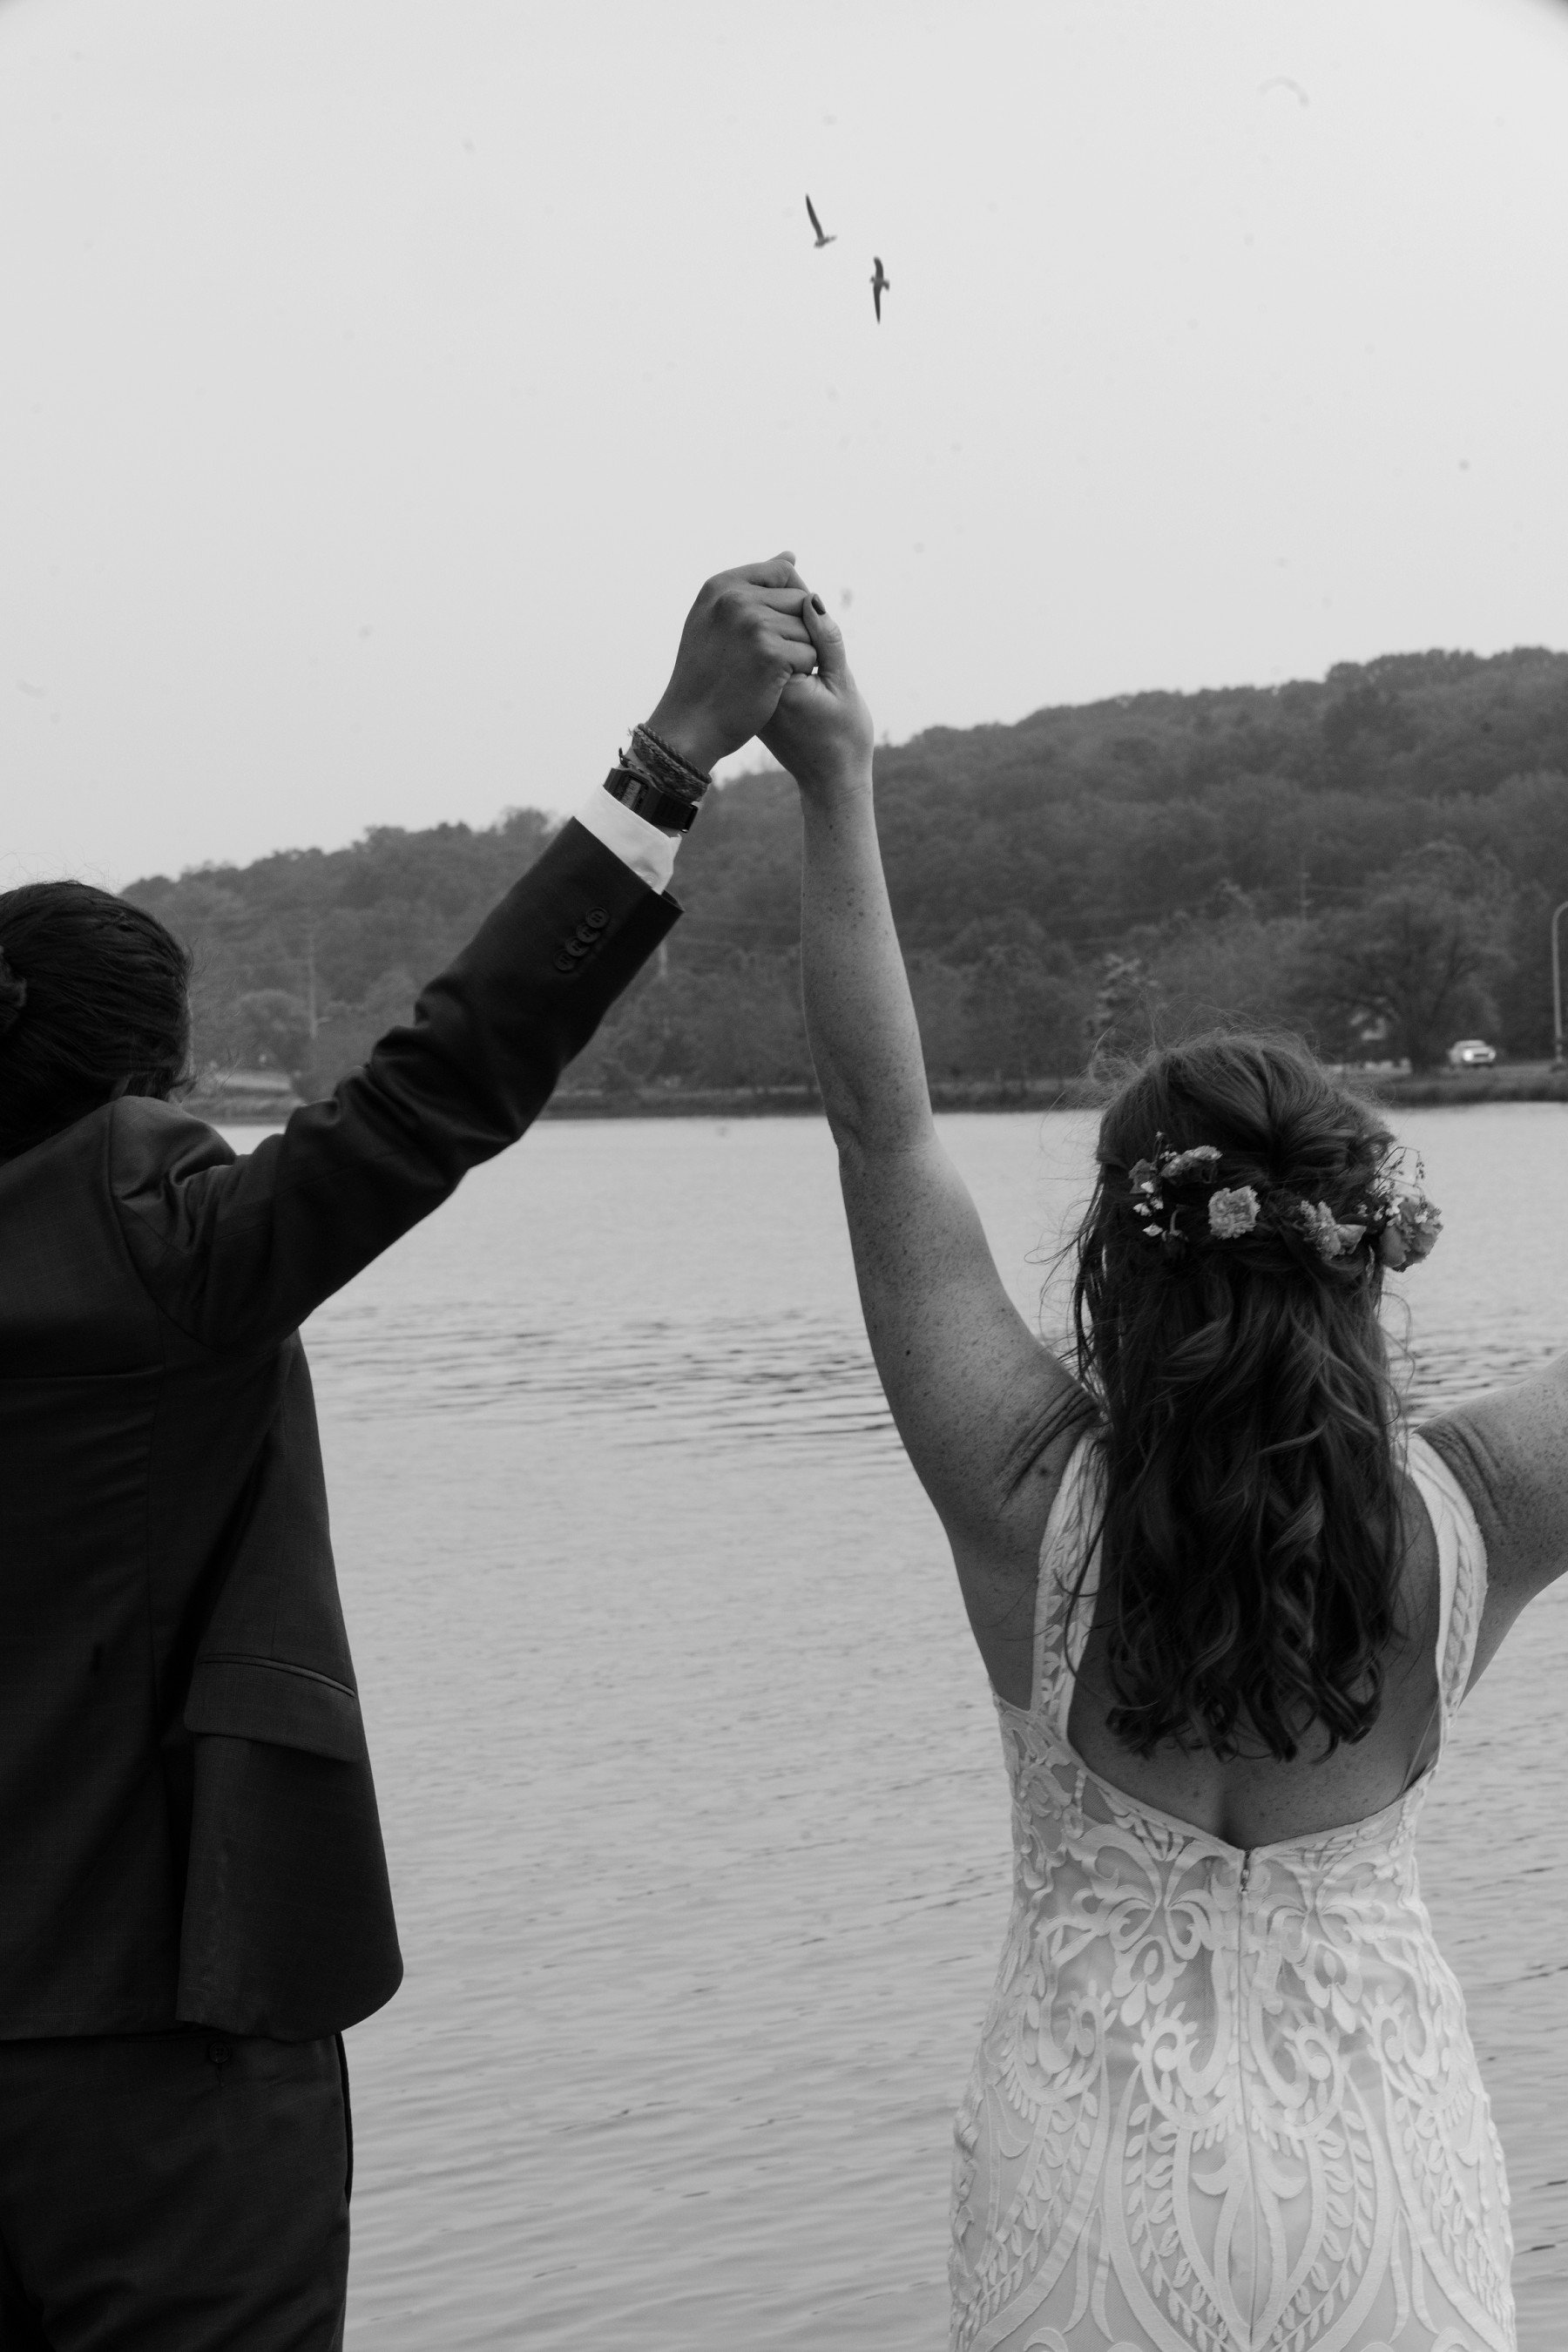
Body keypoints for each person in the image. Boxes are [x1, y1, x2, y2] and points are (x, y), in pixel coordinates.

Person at [0, 553, 821, 2352]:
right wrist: (672, 757)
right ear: (152, 1092)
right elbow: (442, 1083)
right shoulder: (157, 1251)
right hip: (164, 2054)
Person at [760, 597, 1560, 2350]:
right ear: (1366, 1259)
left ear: (1119, 1262)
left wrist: (838, 783)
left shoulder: (1028, 1494)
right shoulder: (1478, 1513)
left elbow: (879, 1123)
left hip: (1095, 2176)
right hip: (1387, 2179)